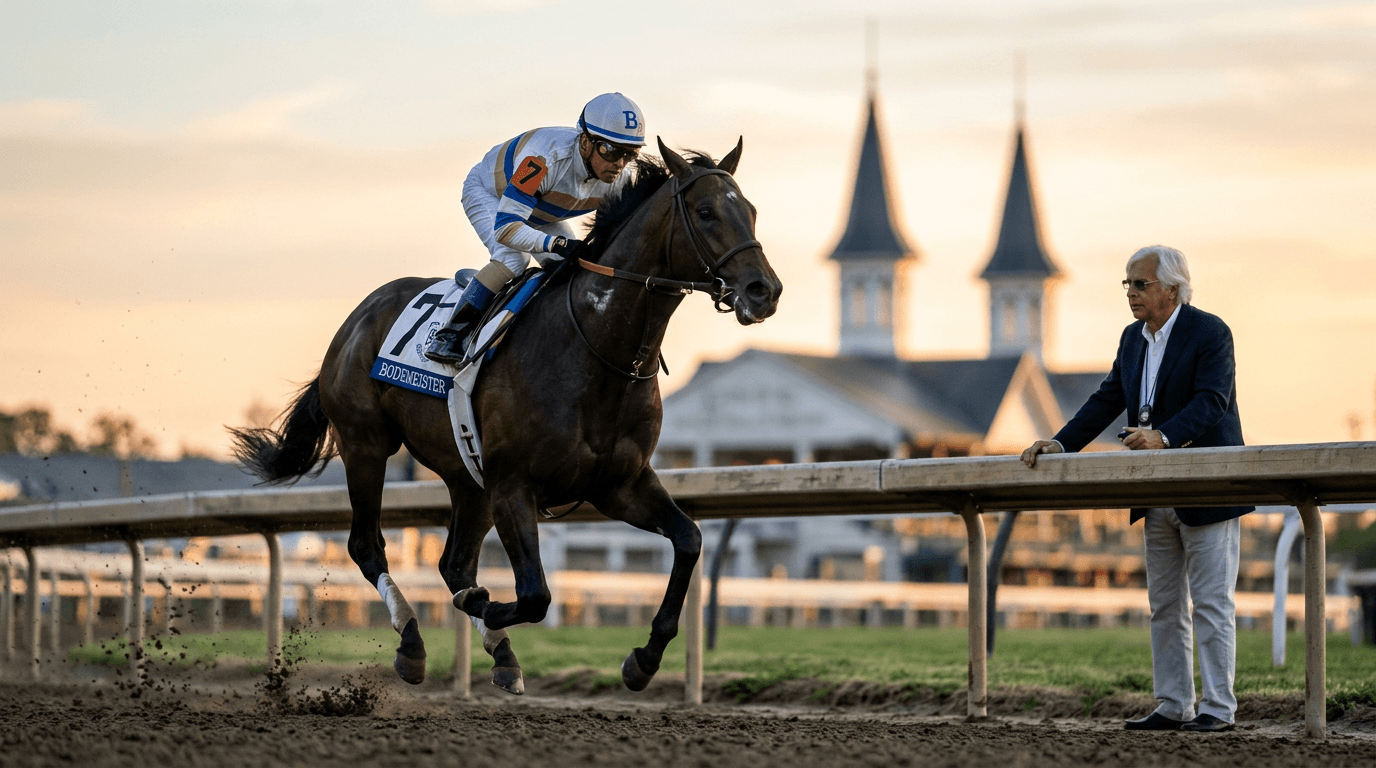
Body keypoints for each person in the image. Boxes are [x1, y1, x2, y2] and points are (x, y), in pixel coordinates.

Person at [1020, 245, 1251, 733]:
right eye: (1127, 284)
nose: (1131, 293)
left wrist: (1163, 436)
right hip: (1154, 490)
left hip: (1207, 488)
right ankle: (1173, 704)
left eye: (1140, 284)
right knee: (1164, 604)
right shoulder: (1132, 339)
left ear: (1172, 288)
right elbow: (1108, 398)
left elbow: (1213, 401)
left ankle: (1217, 709)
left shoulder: (1210, 332)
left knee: (1211, 603)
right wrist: (1061, 443)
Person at [425, 92, 647, 364]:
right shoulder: (543, 159)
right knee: (513, 259)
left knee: (572, 270)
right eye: (611, 151)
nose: (620, 164)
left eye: (629, 154)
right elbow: (506, 228)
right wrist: (556, 244)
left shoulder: (621, 178)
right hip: (490, 195)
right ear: (586, 142)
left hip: (541, 208)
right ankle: (450, 334)